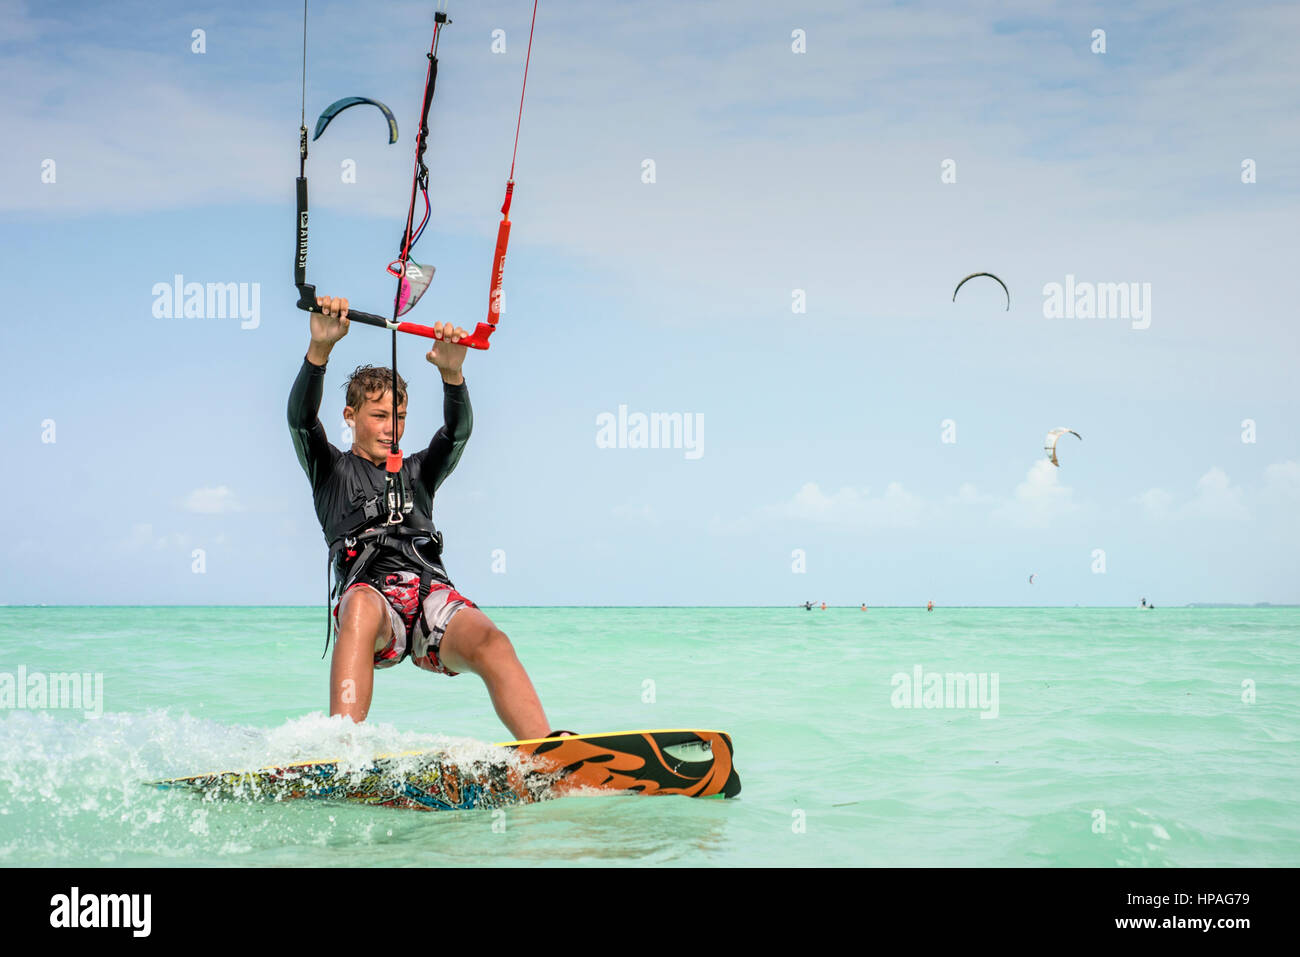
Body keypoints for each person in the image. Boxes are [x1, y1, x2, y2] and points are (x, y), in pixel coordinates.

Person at [287, 295, 569, 740]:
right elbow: (300, 420)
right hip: (374, 606)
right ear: (350, 416)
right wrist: (319, 350)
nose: (390, 428)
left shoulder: (418, 470)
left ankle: (544, 751)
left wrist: (452, 375)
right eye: (379, 416)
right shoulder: (331, 470)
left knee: (492, 640)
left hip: (429, 599)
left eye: (398, 417)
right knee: (358, 605)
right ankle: (342, 750)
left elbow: (457, 433)